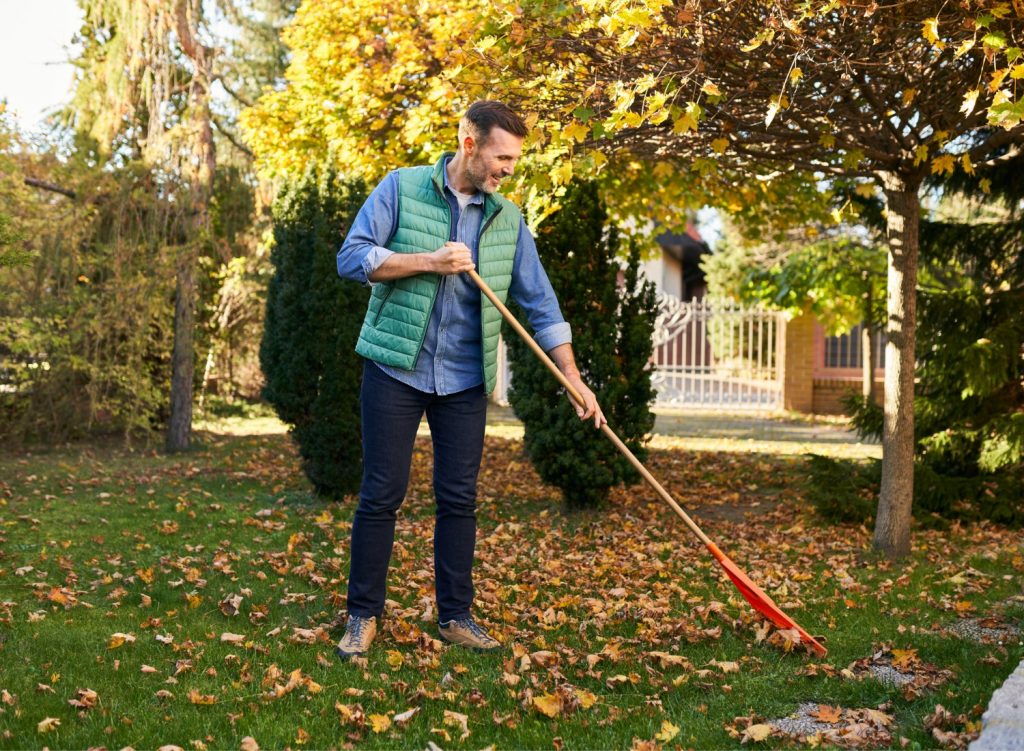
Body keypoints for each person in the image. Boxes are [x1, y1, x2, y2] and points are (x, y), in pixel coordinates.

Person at [334, 100, 606, 659]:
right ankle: (363, 615)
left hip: (463, 378)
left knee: (459, 499)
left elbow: (542, 304)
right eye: (501, 156)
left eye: (514, 159)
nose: (508, 169)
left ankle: (455, 616)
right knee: (381, 495)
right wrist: (429, 261)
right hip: (395, 368)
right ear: (469, 143)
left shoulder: (507, 220)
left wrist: (573, 377)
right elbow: (353, 257)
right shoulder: (402, 188)